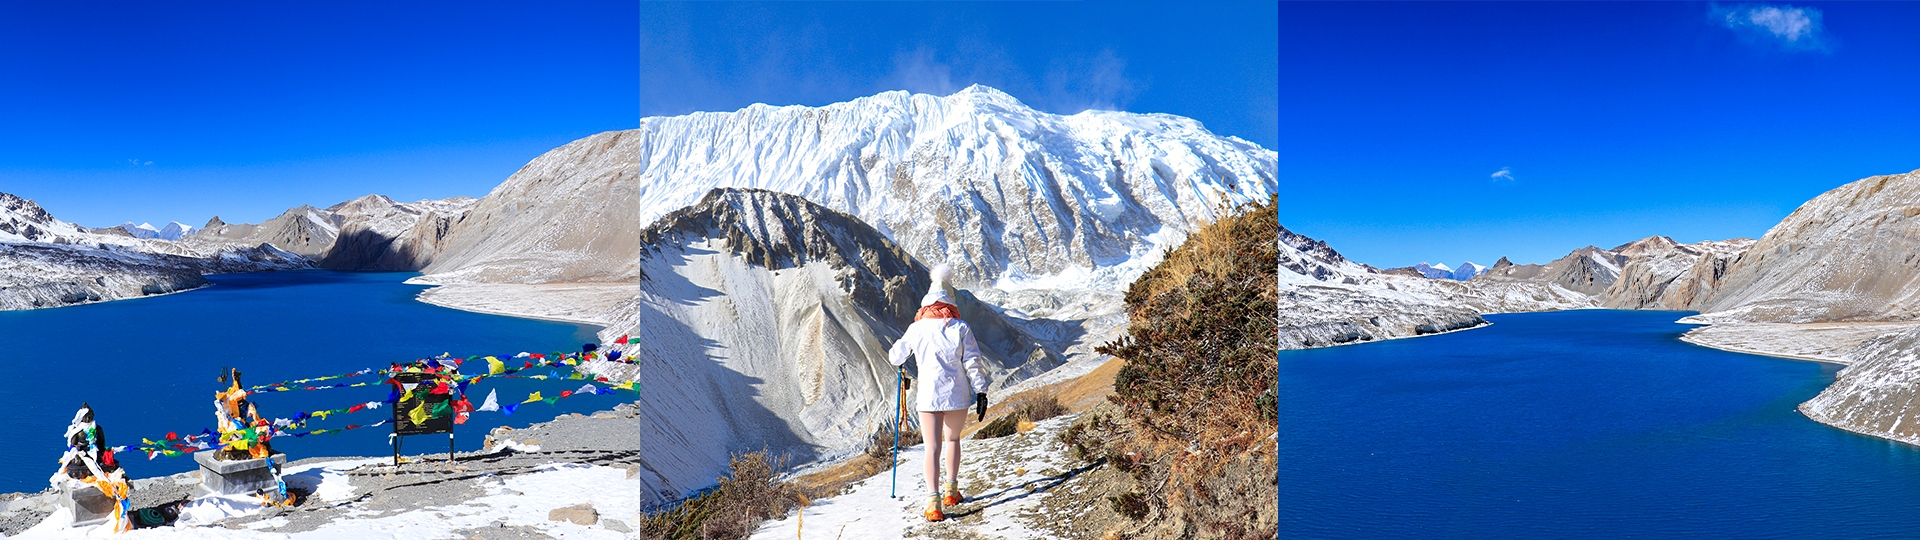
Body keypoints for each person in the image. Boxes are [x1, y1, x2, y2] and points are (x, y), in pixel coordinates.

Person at [888, 264, 990, 522]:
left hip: (928, 397)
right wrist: (981, 390)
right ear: (949, 303)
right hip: (957, 396)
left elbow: (896, 357)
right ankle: (951, 491)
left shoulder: (917, 328)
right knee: (953, 441)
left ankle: (933, 503)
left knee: (931, 448)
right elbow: (973, 362)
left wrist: (901, 349)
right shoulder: (961, 327)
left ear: (926, 305)